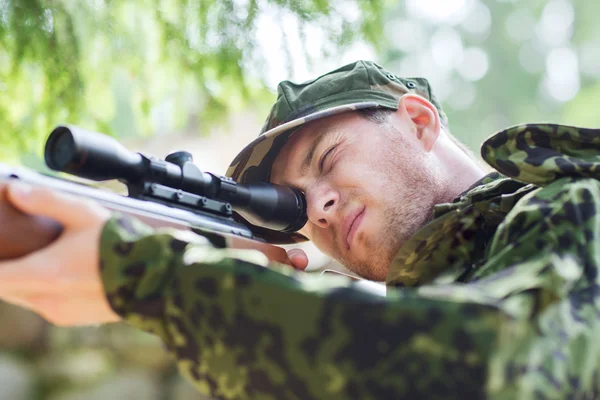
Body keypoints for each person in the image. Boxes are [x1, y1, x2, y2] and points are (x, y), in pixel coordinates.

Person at [0, 60, 598, 399]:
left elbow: (505, 371)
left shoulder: (572, 202)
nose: (319, 209)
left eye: (330, 158)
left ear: (417, 120)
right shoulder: (429, 293)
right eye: (295, 203)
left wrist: (154, 283)